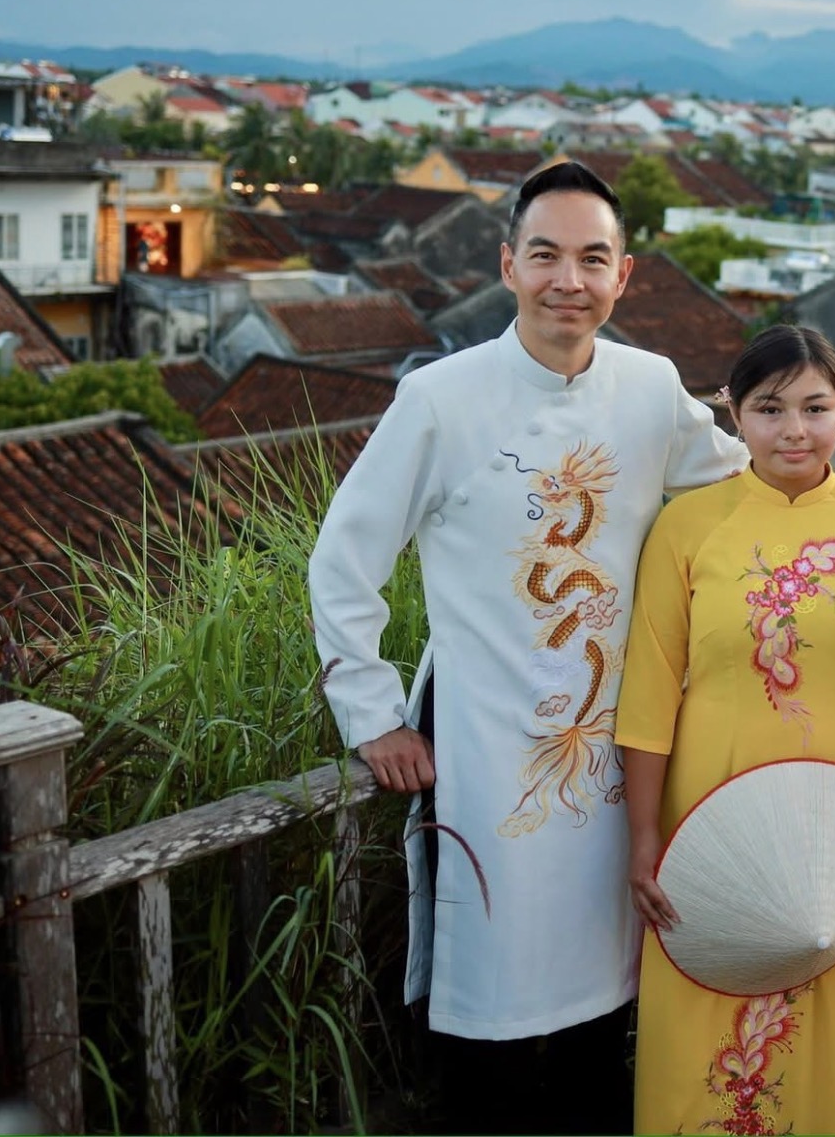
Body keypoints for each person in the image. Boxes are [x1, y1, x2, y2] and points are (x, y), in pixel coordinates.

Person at [307, 161, 746, 1134]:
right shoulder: (440, 399)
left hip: (608, 763)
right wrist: (372, 714)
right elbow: (343, 560)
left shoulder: (651, 388)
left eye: (593, 259)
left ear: (622, 277)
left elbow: (750, 488)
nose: (568, 281)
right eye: (544, 256)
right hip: (481, 751)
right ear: (508, 266)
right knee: (488, 1020)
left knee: (605, 1019)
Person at [617, 325, 835, 1135]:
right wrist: (644, 835)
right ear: (733, 414)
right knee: (702, 1025)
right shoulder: (687, 527)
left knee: (831, 1006)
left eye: (815, 407)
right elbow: (650, 696)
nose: (793, 429)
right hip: (709, 807)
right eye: (769, 408)